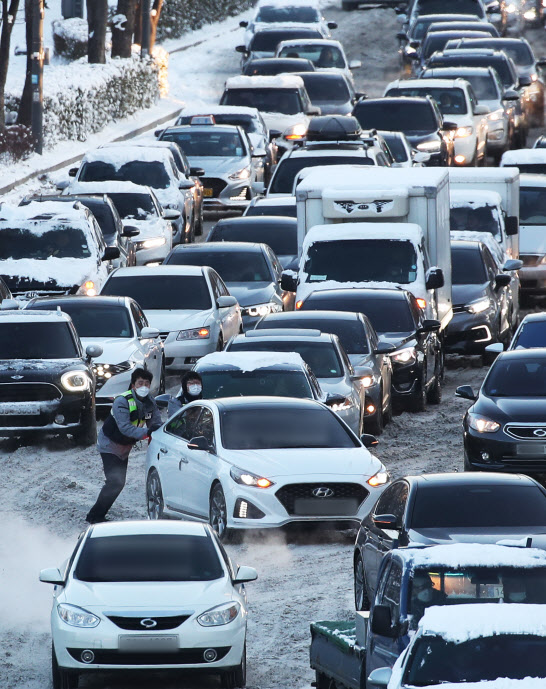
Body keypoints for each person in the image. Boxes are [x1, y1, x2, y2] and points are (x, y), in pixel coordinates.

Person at [86, 368, 162, 524]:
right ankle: (94, 516)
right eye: (140, 383)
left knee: (117, 483)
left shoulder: (150, 402)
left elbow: (156, 423)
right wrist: (148, 432)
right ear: (133, 385)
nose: (144, 387)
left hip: (124, 447)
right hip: (109, 445)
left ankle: (97, 514)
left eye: (147, 383)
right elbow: (125, 428)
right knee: (115, 482)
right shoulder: (122, 401)